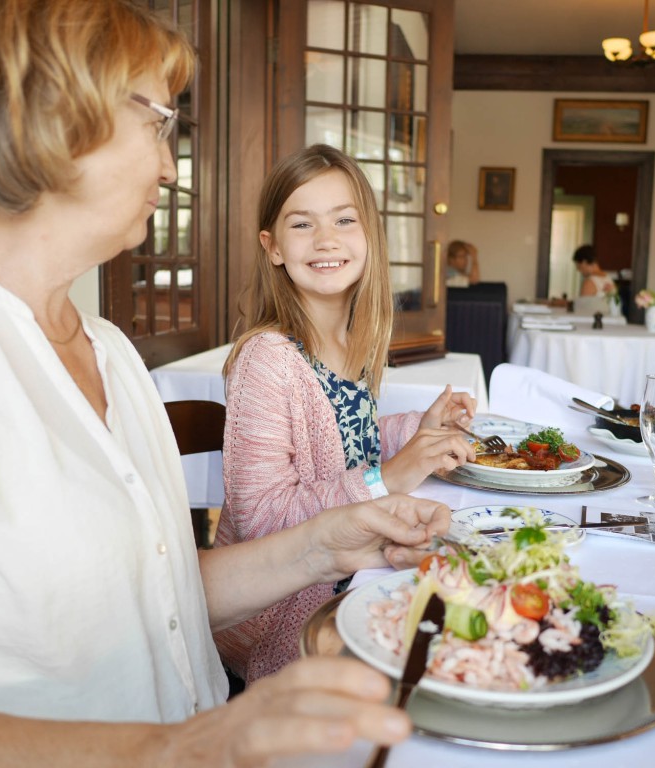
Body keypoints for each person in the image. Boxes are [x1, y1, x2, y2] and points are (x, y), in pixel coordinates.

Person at [0, 2, 453, 765]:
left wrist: (327, 546)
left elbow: (162, 597)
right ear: (46, 110)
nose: (169, 165)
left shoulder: (109, 350)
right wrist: (173, 749)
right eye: (157, 120)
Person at [215, 144, 477, 683]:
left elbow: (343, 442)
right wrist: (391, 475)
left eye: (343, 220)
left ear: (368, 237)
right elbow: (260, 519)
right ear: (273, 248)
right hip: (283, 617)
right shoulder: (268, 358)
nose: (327, 239)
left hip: (351, 574)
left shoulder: (349, 340)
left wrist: (416, 431)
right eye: (302, 224)